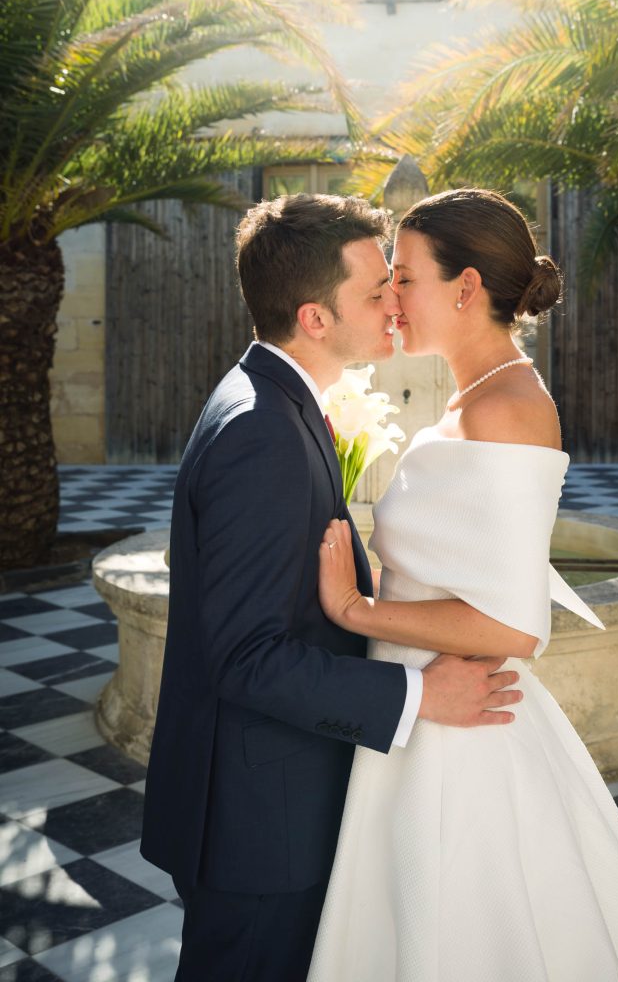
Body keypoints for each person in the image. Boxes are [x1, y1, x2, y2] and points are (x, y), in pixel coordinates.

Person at [308, 188, 618, 982]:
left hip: (462, 734)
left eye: (404, 277)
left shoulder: (509, 410)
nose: (390, 297)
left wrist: (356, 607)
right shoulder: (468, 398)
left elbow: (516, 629)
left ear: (467, 286)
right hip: (421, 713)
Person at [140, 192, 524, 982]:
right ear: (315, 318)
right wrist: (419, 699)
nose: (394, 304)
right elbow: (248, 659)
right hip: (259, 829)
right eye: (375, 291)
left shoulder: (276, 402)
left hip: (268, 804)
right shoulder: (260, 432)